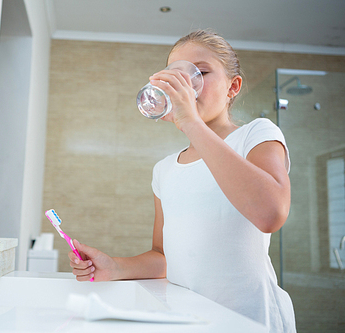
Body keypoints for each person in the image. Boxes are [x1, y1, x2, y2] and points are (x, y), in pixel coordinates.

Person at [68, 29, 296, 332]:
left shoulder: (256, 135)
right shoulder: (164, 170)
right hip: (187, 319)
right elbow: (164, 257)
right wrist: (116, 266)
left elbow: (270, 213)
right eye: (178, 75)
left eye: (200, 72)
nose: (189, 86)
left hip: (249, 319)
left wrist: (191, 121)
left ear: (233, 86)